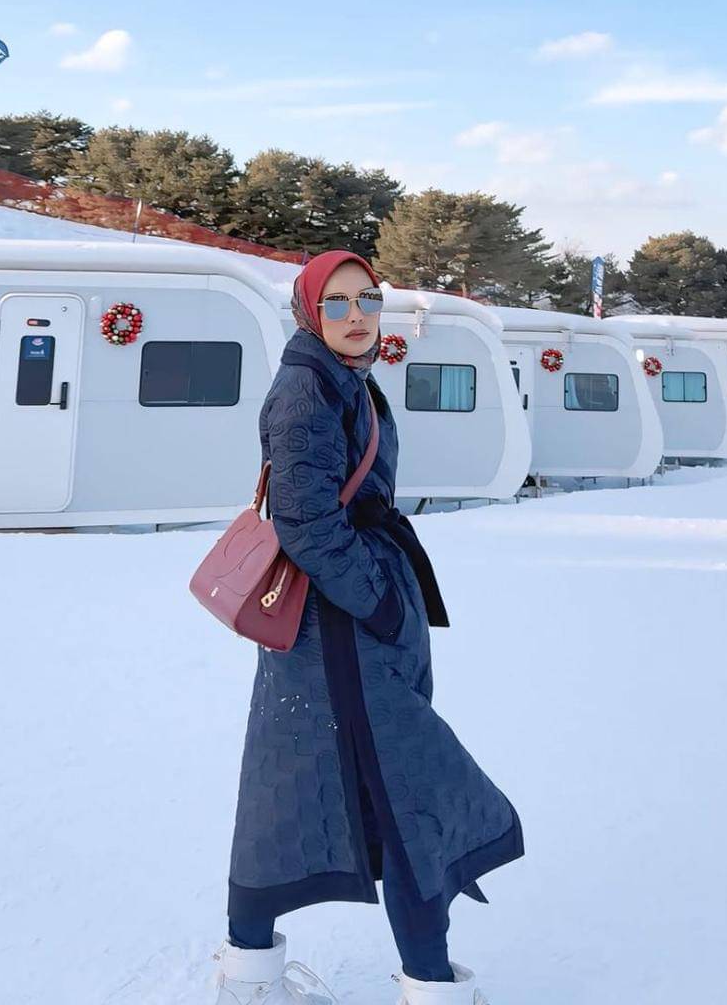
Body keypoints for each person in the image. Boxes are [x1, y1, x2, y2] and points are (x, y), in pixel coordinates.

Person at [210, 250, 523, 1004]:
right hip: (343, 632)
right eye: (338, 302)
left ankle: (250, 975)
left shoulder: (341, 377)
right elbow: (306, 522)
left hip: (340, 630)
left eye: (368, 299)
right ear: (308, 310)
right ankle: (429, 983)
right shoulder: (307, 389)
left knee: (300, 793)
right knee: (411, 794)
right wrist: (380, 603)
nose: (356, 316)